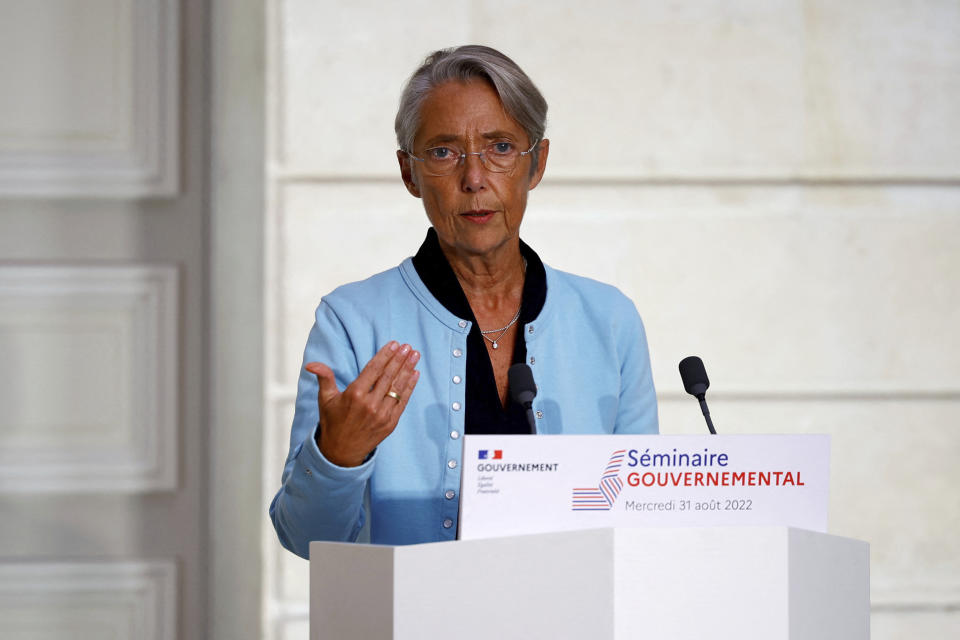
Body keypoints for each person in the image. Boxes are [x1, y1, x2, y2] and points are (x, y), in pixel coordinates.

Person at [270, 45, 658, 558]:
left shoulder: (608, 320)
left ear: (536, 163)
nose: (474, 178)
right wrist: (338, 455)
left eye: (499, 147)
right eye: (443, 152)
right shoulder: (351, 320)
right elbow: (305, 540)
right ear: (410, 173)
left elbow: (642, 522)